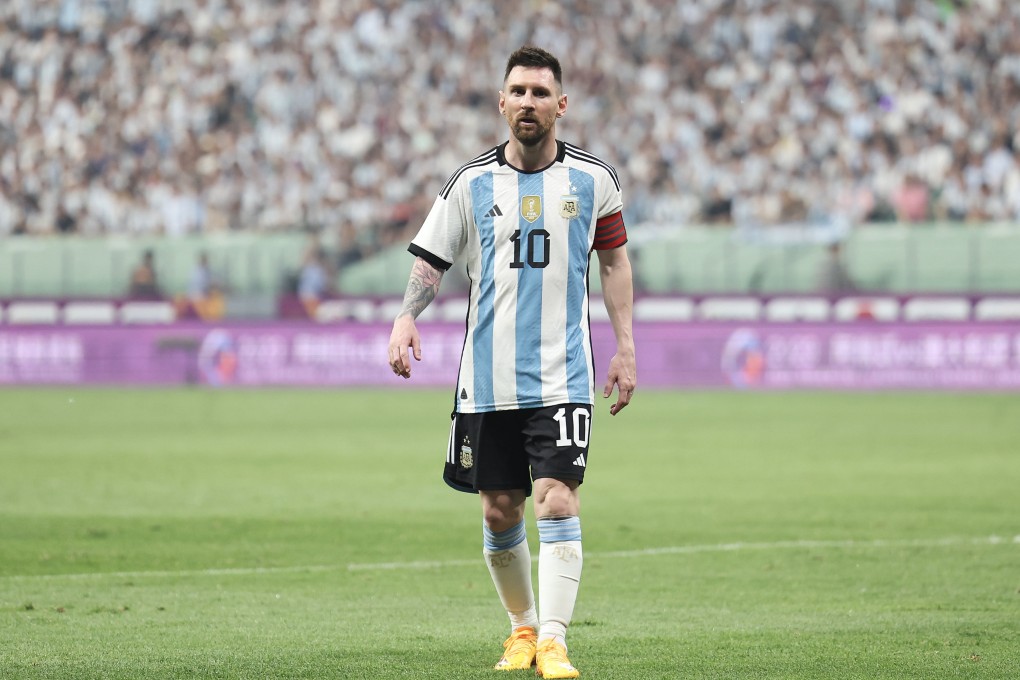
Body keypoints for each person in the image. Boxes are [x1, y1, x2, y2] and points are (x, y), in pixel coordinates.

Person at [387, 46, 636, 678]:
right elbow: (432, 260)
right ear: (502, 102)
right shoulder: (469, 183)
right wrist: (406, 315)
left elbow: (613, 262)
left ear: (562, 104)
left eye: (540, 92)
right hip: (487, 381)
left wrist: (625, 346)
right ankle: (521, 630)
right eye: (518, 91)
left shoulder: (594, 181)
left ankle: (554, 640)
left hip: (564, 375)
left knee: (556, 500)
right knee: (500, 509)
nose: (528, 102)